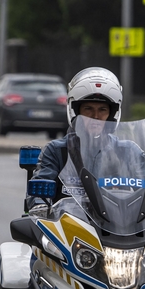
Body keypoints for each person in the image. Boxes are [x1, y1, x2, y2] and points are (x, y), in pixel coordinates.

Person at [24, 67, 124, 216]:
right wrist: (40, 205)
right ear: (76, 112)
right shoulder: (57, 151)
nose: (95, 116)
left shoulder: (126, 151)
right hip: (68, 228)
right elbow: (40, 189)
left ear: (111, 114)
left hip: (119, 227)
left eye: (103, 109)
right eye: (88, 109)